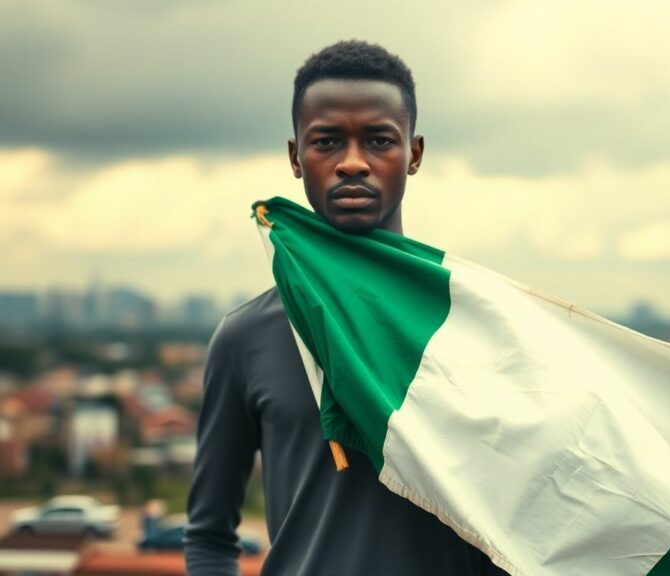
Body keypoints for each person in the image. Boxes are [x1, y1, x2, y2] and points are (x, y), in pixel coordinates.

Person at [184, 40, 508, 575]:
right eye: (327, 141)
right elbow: (209, 537)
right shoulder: (245, 339)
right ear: (296, 157)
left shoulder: (475, 326)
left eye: (379, 140)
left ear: (414, 154)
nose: (352, 162)